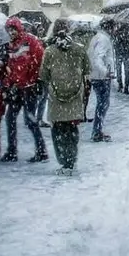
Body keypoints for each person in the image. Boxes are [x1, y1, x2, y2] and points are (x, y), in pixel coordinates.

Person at [39, 26, 90, 176]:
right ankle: (71, 160)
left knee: (58, 130)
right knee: (72, 128)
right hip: (74, 97)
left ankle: (63, 161)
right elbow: (87, 69)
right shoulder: (79, 50)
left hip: (56, 98)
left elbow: (44, 75)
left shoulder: (49, 51)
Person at [2, 16, 48, 163]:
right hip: (16, 89)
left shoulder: (30, 41)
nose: (11, 32)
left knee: (30, 120)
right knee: (10, 119)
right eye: (9, 29)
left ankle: (41, 151)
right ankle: (12, 151)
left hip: (29, 88)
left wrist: (36, 79)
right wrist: (8, 84)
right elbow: (11, 67)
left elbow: (38, 61)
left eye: (13, 29)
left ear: (18, 28)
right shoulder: (10, 45)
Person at [87, 18, 116, 142]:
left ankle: (97, 131)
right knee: (103, 104)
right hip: (101, 77)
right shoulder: (103, 39)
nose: (116, 29)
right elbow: (98, 58)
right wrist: (106, 72)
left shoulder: (97, 37)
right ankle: (96, 132)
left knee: (102, 103)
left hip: (95, 75)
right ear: (109, 27)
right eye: (114, 27)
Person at [112, 22, 129, 94]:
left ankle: (120, 85)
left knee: (119, 70)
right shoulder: (128, 35)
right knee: (127, 71)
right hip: (126, 54)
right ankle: (126, 87)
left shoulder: (116, 34)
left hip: (119, 54)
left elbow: (114, 44)